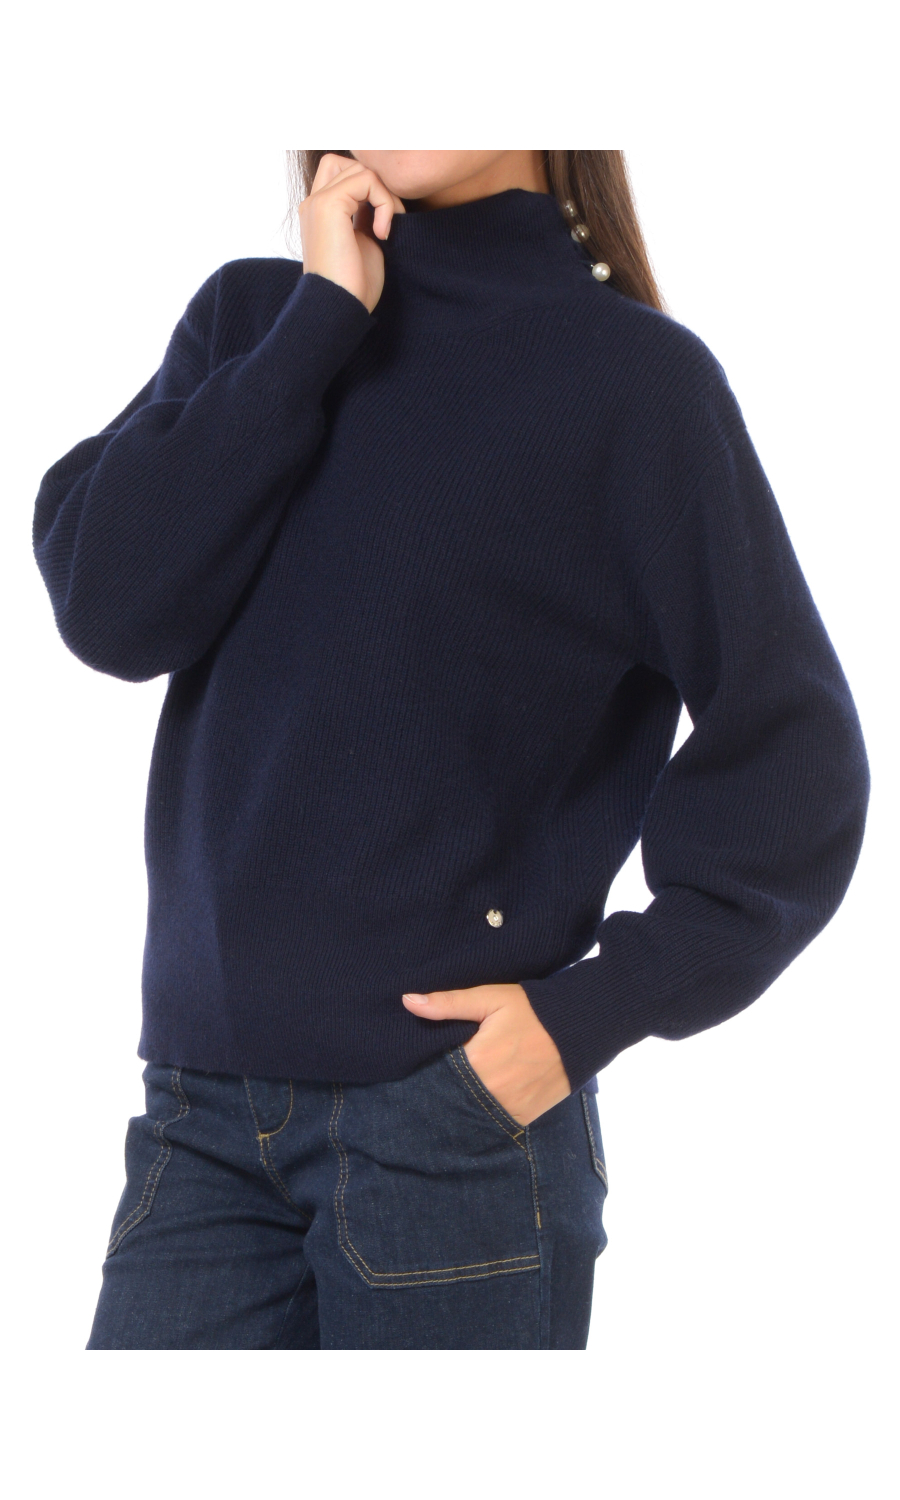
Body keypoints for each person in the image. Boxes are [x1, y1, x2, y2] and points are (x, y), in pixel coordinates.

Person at [32, 150, 869, 1350]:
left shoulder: (635, 383)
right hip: (198, 1121)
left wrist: (591, 1013)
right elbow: (111, 608)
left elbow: (796, 755)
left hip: (449, 1137)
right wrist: (320, 320)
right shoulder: (256, 320)